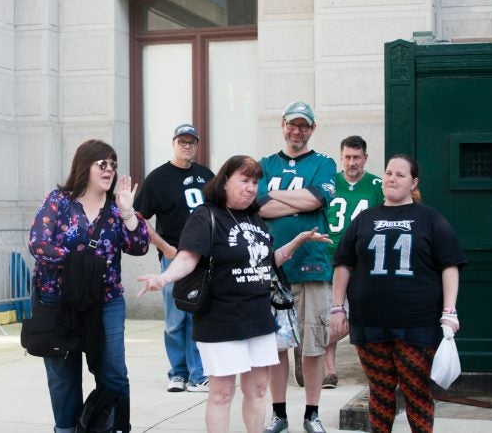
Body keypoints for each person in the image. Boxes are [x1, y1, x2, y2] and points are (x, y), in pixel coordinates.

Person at [138, 155, 331, 433]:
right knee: (221, 393)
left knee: (258, 389)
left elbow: (265, 263)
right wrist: (163, 278)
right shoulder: (206, 215)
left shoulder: (255, 217)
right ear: (225, 181)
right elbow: (187, 258)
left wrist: (296, 243)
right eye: (244, 180)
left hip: (258, 317)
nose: (251, 187)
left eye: (255, 182)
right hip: (220, 318)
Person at [330, 154, 466, 433]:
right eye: (388, 173)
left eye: (400, 175)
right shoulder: (364, 219)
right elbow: (343, 263)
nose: (391, 179)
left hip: (417, 324)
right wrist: (337, 308)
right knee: (379, 392)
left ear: (413, 182)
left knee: (416, 390)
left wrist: (449, 312)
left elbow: (449, 265)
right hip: (370, 323)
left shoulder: (430, 219)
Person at [28, 139, 149, 433]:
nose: (109, 170)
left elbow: (140, 246)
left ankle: (114, 427)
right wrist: (79, 262)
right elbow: (38, 243)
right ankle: (66, 429)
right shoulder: (59, 201)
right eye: (103, 164)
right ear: (86, 165)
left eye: (113, 165)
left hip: (105, 301)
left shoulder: (116, 208)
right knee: (63, 376)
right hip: (58, 301)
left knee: (113, 372)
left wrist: (128, 212)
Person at [257, 101, 336, 433]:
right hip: (272, 269)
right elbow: (259, 207)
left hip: (312, 267)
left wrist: (278, 195)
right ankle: (279, 414)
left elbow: (317, 199)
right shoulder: (264, 164)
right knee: (276, 347)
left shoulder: (324, 163)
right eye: (293, 124)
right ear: (283, 124)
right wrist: (299, 200)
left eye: (305, 125)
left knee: (313, 344)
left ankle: (312, 414)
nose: (298, 130)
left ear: (313, 129)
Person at [133, 123, 214, 393]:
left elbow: (218, 212)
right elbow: (138, 218)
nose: (187, 145)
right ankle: (177, 373)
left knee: (197, 316)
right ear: (173, 143)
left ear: (197, 145)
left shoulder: (206, 176)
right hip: (174, 257)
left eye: (191, 141)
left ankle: (197, 373)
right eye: (182, 141)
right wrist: (165, 247)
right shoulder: (158, 178)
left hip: (202, 257)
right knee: (175, 319)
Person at [323, 135, 383, 389]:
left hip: (362, 261)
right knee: (331, 313)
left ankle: (313, 347)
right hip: (329, 258)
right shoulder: (329, 183)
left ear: (365, 158)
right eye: (347, 157)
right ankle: (328, 370)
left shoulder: (376, 185)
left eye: (357, 157)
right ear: (341, 157)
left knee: (359, 315)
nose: (352, 162)